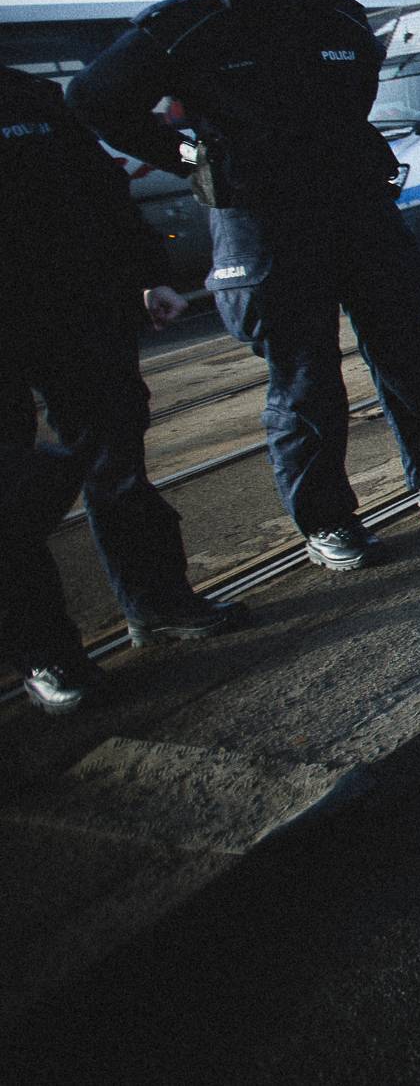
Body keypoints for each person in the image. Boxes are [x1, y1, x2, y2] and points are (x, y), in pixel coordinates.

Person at [71, 0, 420, 573]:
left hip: (357, 211)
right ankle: (328, 522)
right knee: (306, 380)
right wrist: (189, 157)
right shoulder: (186, 29)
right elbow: (93, 97)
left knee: (408, 355)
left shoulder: (336, 13)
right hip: (269, 224)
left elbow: (356, 91)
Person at [5, 66, 249, 715]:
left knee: (117, 458)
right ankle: (46, 652)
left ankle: (157, 602)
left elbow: (98, 185)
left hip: (73, 309)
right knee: (7, 497)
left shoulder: (29, 96)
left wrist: (149, 272)